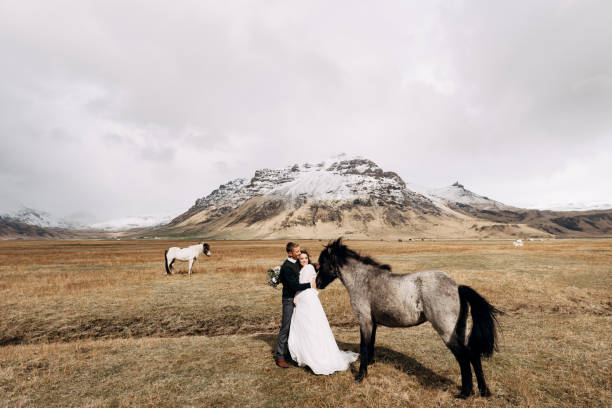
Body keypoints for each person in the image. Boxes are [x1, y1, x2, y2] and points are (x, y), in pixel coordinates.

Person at [287, 250, 358, 375]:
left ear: (308, 259)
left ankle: (315, 357)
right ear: (299, 260)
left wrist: (299, 296)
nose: (303, 260)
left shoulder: (308, 268)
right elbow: (307, 285)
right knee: (305, 327)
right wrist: (299, 296)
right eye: (301, 258)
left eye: (305, 258)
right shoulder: (304, 269)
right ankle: (306, 355)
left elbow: (310, 285)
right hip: (304, 298)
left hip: (307, 298)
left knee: (311, 326)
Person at [275, 242, 316, 368]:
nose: (299, 253)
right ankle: (280, 356)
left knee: (298, 326)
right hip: (289, 300)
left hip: (300, 299)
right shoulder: (287, 267)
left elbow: (305, 269)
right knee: (286, 327)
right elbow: (294, 286)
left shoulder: (297, 263)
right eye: (297, 252)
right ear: (290, 253)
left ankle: (296, 352)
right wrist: (310, 284)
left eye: (299, 251)